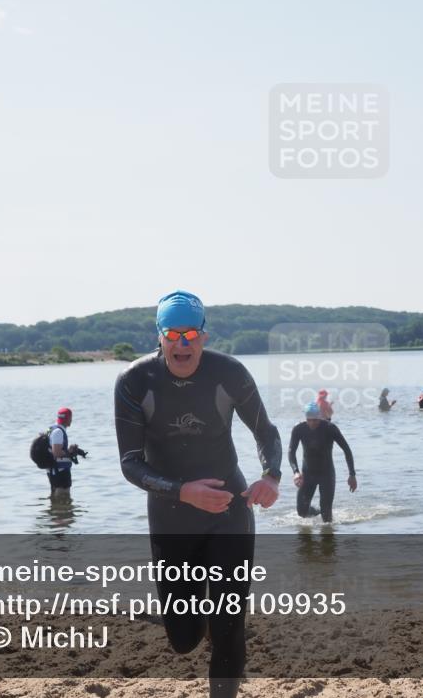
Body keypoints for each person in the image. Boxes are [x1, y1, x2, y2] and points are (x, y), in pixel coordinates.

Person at [114, 290, 282, 698]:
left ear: (204, 336)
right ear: (160, 336)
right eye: (173, 334)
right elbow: (131, 463)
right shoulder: (135, 381)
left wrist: (271, 477)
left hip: (229, 512)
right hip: (172, 517)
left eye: (191, 334)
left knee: (229, 625)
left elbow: (266, 432)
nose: (182, 343)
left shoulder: (229, 373)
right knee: (184, 639)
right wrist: (183, 492)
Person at [288, 402, 357, 524]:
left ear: (319, 417)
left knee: (327, 519)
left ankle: (327, 531)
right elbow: (291, 452)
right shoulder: (299, 429)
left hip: (327, 474)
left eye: (315, 420)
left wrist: (352, 474)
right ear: (306, 418)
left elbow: (347, 450)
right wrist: (296, 472)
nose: (312, 423)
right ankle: (318, 512)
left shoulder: (330, 428)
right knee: (301, 512)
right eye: (309, 420)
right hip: (308, 474)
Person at [47, 407, 80, 498]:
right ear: (68, 419)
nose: (71, 420)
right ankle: (61, 511)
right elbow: (56, 452)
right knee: (63, 495)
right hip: (59, 471)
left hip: (54, 470)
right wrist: (70, 451)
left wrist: (68, 451)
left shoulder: (52, 429)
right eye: (71, 418)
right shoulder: (58, 432)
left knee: (56, 498)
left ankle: (57, 510)